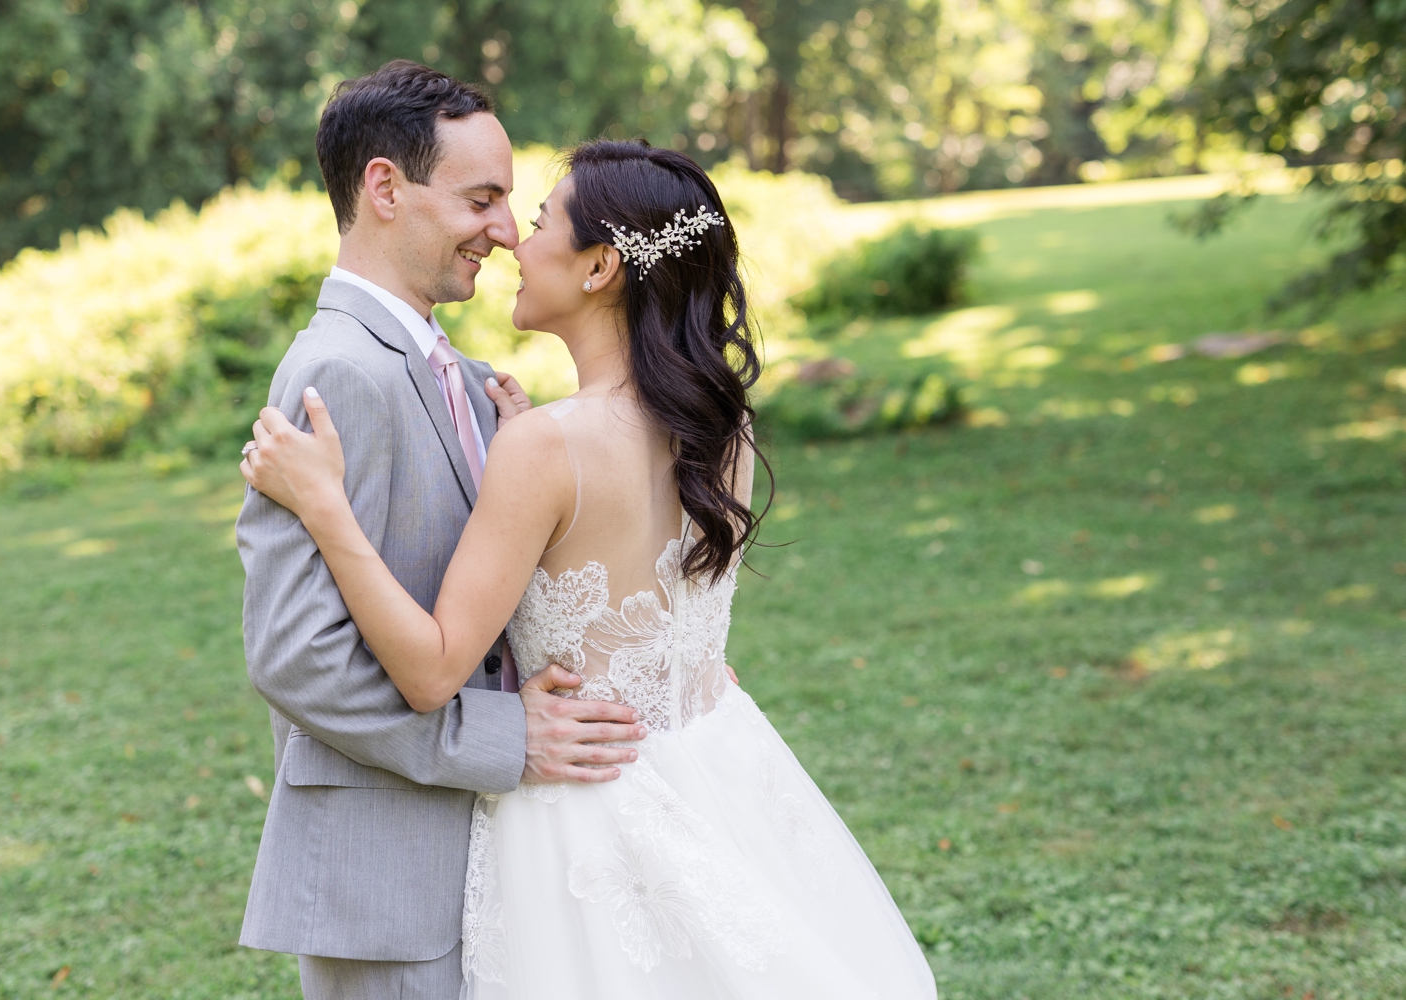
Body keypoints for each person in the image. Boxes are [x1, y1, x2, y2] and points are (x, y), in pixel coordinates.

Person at [241, 137, 938, 998]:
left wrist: (327, 510)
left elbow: (430, 670)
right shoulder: (724, 426)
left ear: (601, 265)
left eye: (537, 222)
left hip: (579, 829)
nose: (512, 242)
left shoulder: (545, 448)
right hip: (713, 781)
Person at [234, 61, 649, 1000]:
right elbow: (299, 657)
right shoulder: (339, 372)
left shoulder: (449, 367)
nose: (506, 232)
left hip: (482, 861)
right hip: (390, 887)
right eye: (482, 199)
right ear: (385, 188)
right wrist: (506, 735)